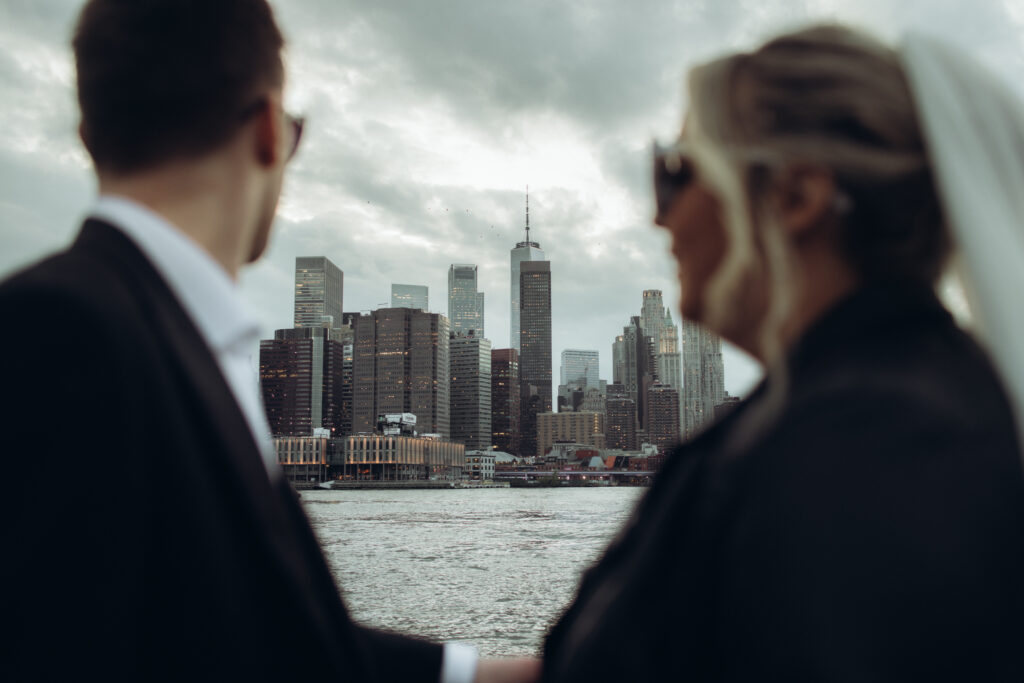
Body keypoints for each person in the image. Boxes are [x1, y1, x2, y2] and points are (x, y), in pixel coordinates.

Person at [0, 2, 538, 682]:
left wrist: (491, 673)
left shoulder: (173, 338)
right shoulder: (56, 330)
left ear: (87, 132)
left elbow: (229, 628)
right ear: (268, 131)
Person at [542, 25, 1024, 682]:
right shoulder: (883, 404)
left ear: (796, 197)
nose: (661, 217)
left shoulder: (858, 450)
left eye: (677, 170)